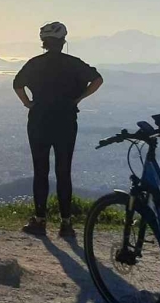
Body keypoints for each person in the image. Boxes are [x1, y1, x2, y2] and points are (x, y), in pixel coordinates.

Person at [12, 22, 102, 237]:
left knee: (40, 170)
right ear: (63, 42)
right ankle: (66, 223)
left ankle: (40, 220)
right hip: (66, 120)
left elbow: (17, 84)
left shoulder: (35, 63)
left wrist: (28, 103)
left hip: (39, 120)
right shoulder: (73, 63)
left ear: (43, 43)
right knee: (64, 171)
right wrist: (78, 98)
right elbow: (97, 80)